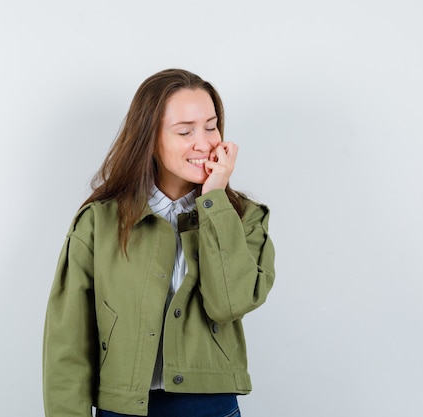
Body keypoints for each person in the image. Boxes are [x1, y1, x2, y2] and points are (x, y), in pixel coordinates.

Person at [43, 69, 276, 417]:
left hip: (210, 409)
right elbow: (67, 344)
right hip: (121, 409)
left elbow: (229, 303)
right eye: (185, 131)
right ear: (150, 138)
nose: (204, 142)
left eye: (211, 126)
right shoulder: (99, 222)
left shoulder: (244, 217)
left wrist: (213, 202)